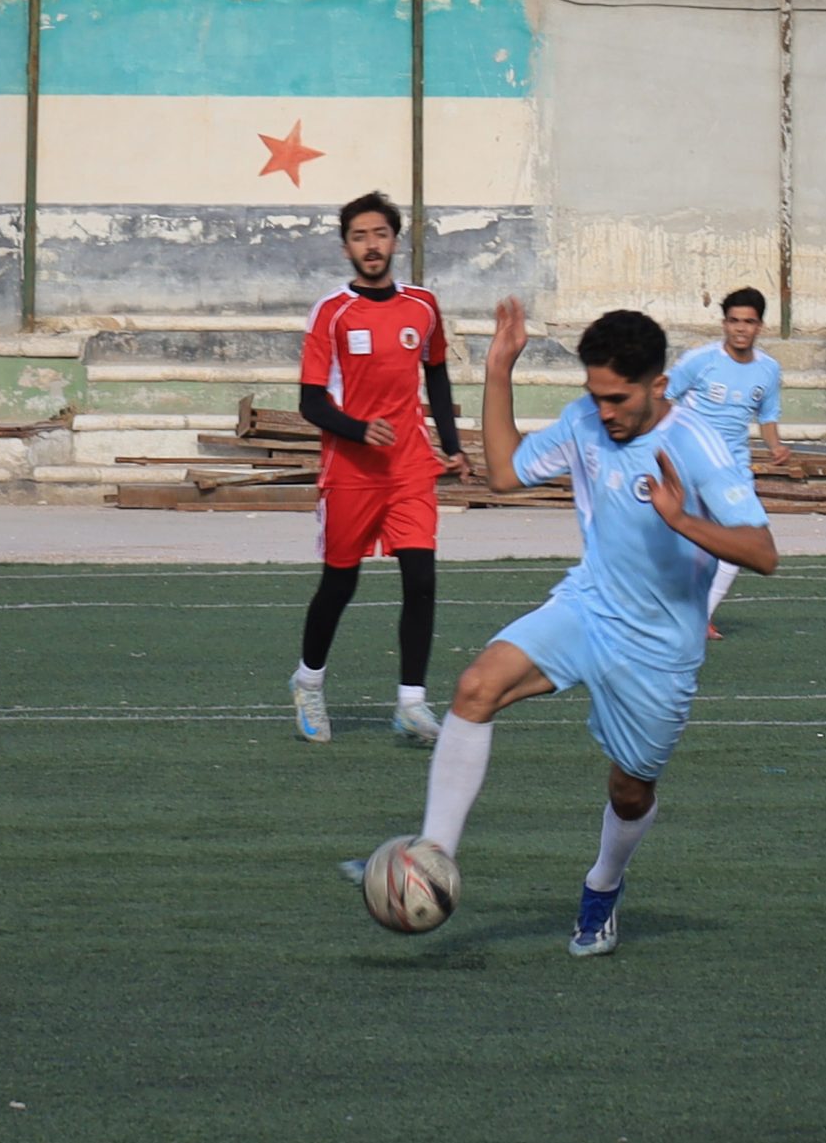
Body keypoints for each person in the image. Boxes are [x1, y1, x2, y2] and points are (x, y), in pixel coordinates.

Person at [392, 303, 778, 957]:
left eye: (617, 398)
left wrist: (682, 520)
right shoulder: (584, 421)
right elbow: (505, 474)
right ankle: (432, 858)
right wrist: (498, 369)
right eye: (595, 395)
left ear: (659, 385)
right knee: (477, 686)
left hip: (659, 649)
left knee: (630, 791)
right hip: (588, 606)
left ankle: (603, 883)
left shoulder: (699, 446)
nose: (603, 411)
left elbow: (763, 553)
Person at [289, 191, 468, 747]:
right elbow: (310, 402)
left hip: (410, 467)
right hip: (350, 472)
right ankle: (308, 682)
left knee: (421, 578)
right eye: (360, 236)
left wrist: (452, 445)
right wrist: (357, 428)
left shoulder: (423, 306)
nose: (371, 245)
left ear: (395, 240)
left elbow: (436, 373)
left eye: (380, 234)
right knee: (339, 583)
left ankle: (411, 704)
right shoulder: (332, 313)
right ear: (346, 247)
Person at [666, 287, 787, 638]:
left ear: (759, 326)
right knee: (680, 542)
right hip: (688, 463)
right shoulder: (700, 360)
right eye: (734, 321)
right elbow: (664, 397)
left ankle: (699, 617)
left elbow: (767, 415)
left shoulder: (768, 369)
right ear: (724, 323)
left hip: (732, 470)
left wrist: (776, 446)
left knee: (742, 543)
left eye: (748, 322)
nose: (740, 328)